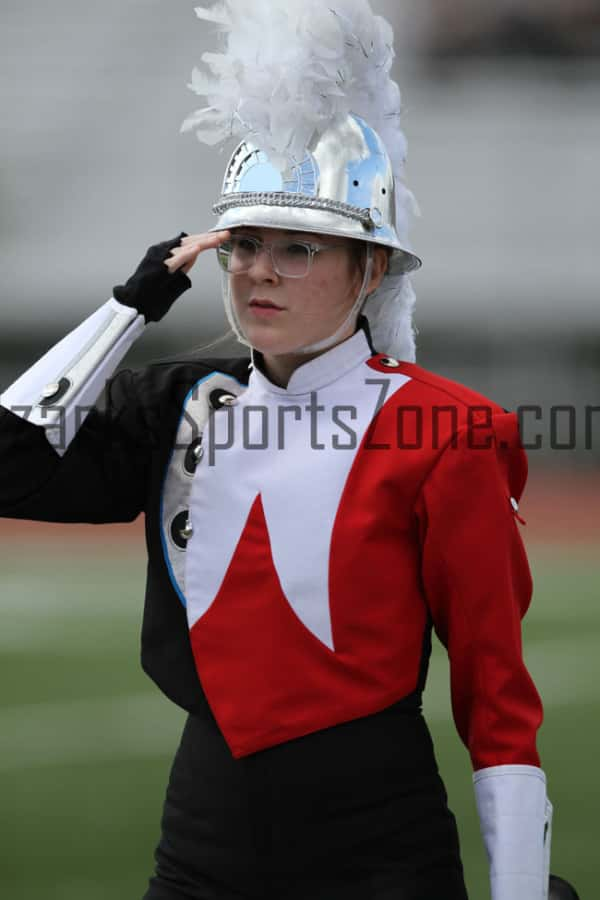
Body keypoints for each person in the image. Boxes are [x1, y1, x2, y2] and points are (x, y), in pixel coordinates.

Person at [0, 2, 554, 898]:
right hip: (201, 839)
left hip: (380, 846)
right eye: (244, 245)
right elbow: (9, 461)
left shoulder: (446, 429)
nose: (259, 270)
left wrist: (523, 885)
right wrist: (128, 307)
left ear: (371, 270)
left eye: (298, 250)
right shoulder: (177, 402)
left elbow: (496, 689)